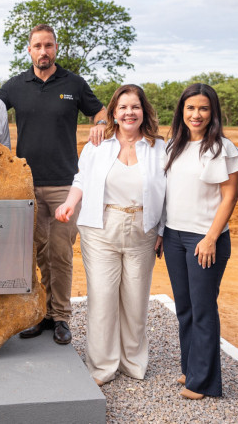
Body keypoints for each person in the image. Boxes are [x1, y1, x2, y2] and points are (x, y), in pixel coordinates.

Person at [0, 24, 107, 345]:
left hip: (65, 187)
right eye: (37, 46)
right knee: (37, 253)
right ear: (28, 50)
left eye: (49, 45)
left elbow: (98, 110)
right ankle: (41, 315)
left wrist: (99, 123)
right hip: (26, 186)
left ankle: (61, 317)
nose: (43, 51)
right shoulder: (16, 85)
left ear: (56, 48)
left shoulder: (73, 83)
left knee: (60, 254)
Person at [55, 84, 165, 385]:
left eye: (135, 107)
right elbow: (81, 179)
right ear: (113, 112)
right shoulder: (98, 144)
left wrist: (162, 230)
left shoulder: (159, 147)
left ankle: (133, 362)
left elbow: (169, 190)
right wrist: (68, 203)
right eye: (123, 107)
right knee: (103, 297)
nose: (130, 112)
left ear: (144, 111)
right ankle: (102, 367)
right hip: (101, 228)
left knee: (135, 298)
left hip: (143, 229)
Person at [161, 83, 238, 400]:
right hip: (173, 236)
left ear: (213, 113)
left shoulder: (222, 148)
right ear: (182, 111)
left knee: (203, 309)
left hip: (204, 239)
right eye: (191, 108)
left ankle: (205, 382)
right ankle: (190, 369)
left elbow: (230, 196)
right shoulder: (173, 147)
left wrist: (210, 237)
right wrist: (161, 234)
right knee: (185, 308)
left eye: (204, 108)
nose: (196, 115)